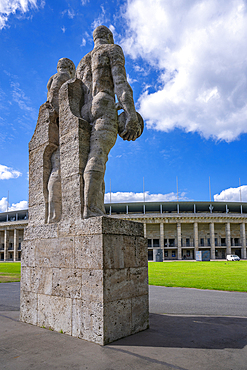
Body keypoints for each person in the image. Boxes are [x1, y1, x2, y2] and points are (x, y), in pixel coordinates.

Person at [77, 25, 142, 218]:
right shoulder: (112, 49)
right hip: (104, 99)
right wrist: (131, 114)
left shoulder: (82, 62)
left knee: (87, 158)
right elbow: (121, 84)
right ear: (109, 36)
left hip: (85, 109)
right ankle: (91, 209)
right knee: (99, 155)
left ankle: (91, 205)